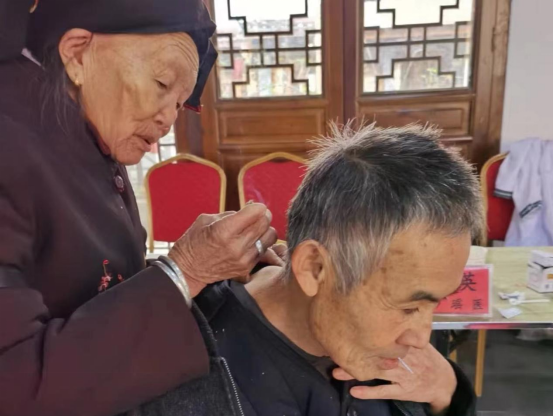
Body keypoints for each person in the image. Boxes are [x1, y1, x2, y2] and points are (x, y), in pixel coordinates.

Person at [0, 1, 279, 415]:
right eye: (162, 83)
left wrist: (213, 269)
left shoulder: (85, 132)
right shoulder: (11, 140)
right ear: (77, 53)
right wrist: (184, 272)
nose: (169, 119)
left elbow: (98, 280)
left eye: (180, 102)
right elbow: (15, 381)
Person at [135, 123, 483, 416]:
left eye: (433, 304)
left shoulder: (399, 352)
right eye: (408, 307)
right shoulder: (198, 382)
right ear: (315, 268)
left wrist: (449, 394)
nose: (421, 338)